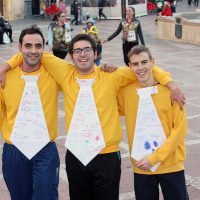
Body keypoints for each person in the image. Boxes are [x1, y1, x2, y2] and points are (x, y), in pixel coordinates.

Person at [4, 34, 184, 200]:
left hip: (107, 156)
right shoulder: (64, 72)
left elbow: (144, 67)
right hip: (76, 155)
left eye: (87, 50)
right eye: (77, 51)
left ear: (95, 53)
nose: (83, 55)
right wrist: (5, 67)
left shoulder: (111, 76)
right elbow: (32, 52)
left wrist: (170, 83)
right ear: (71, 56)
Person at [117, 45, 189, 200]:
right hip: (142, 167)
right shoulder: (125, 92)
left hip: (171, 165)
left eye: (144, 62)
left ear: (153, 62)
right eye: (135, 64)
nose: (140, 68)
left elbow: (180, 130)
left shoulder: (171, 92)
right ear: (130, 67)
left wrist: (154, 158)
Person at [0, 25, 60, 200]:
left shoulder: (54, 73)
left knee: (46, 195)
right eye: (27, 46)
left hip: (45, 148)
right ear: (19, 47)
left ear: (44, 48)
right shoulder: (5, 77)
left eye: (38, 46)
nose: (33, 51)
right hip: (14, 149)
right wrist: (7, 67)